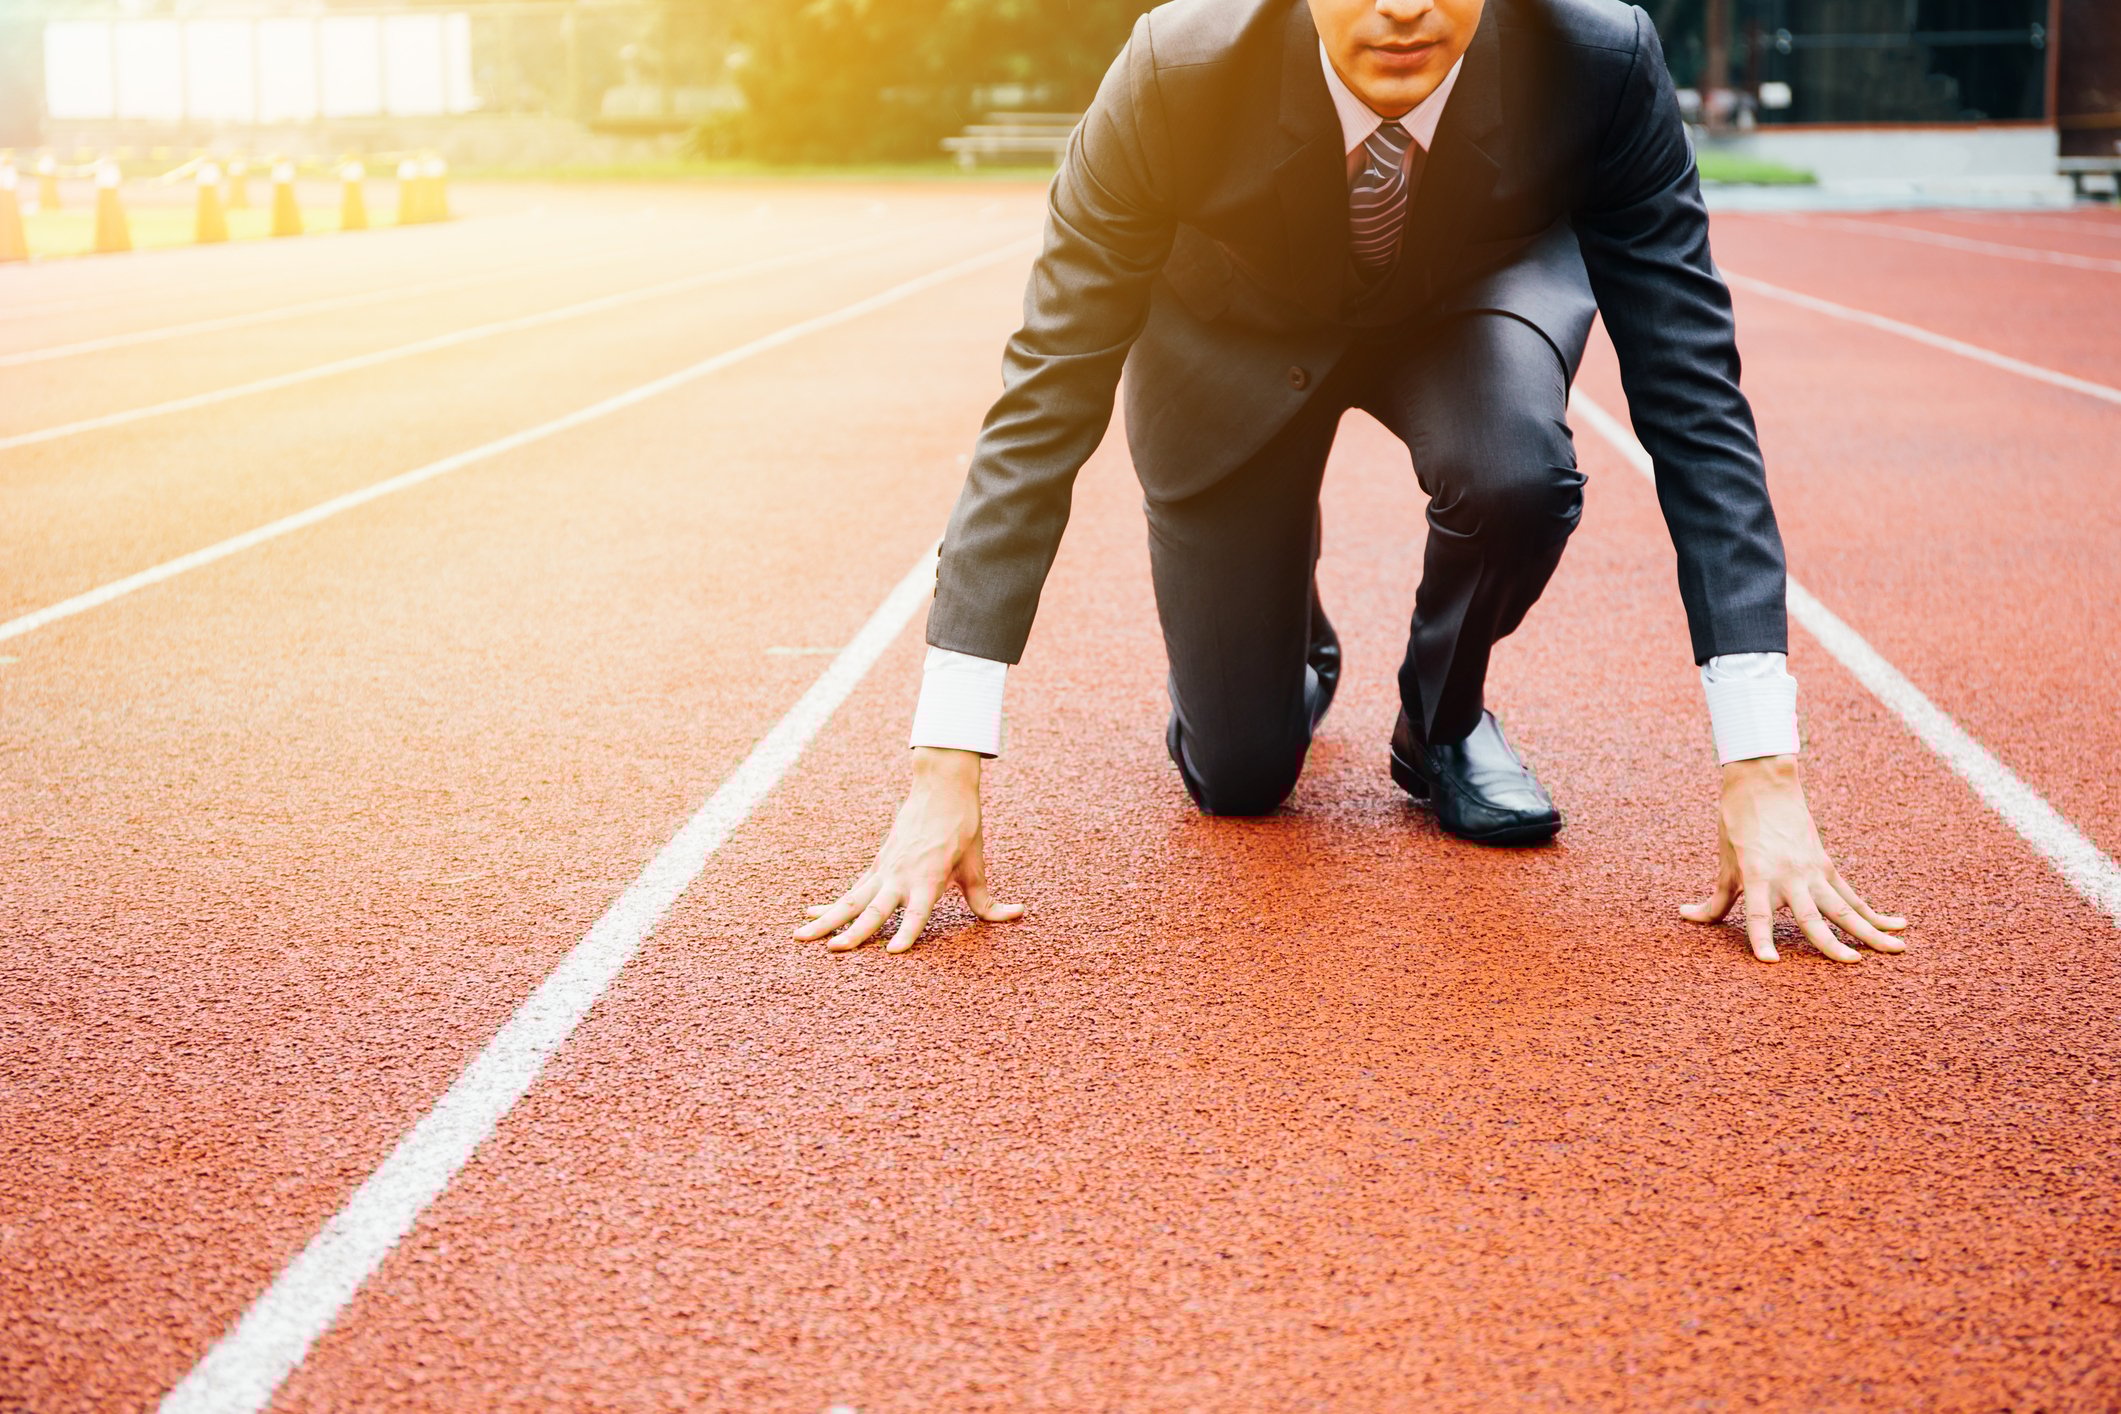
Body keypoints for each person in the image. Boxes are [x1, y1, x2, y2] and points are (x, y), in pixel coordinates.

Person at [799, 0, 1909, 964]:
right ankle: (1291, 628)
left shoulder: (1598, 63)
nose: (1402, 12)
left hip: (1461, 301)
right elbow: (1044, 399)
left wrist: (1761, 764)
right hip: (1231, 341)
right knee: (1239, 778)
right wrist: (946, 762)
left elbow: (1693, 400)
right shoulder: (1175, 71)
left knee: (1517, 472)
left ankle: (1441, 722)